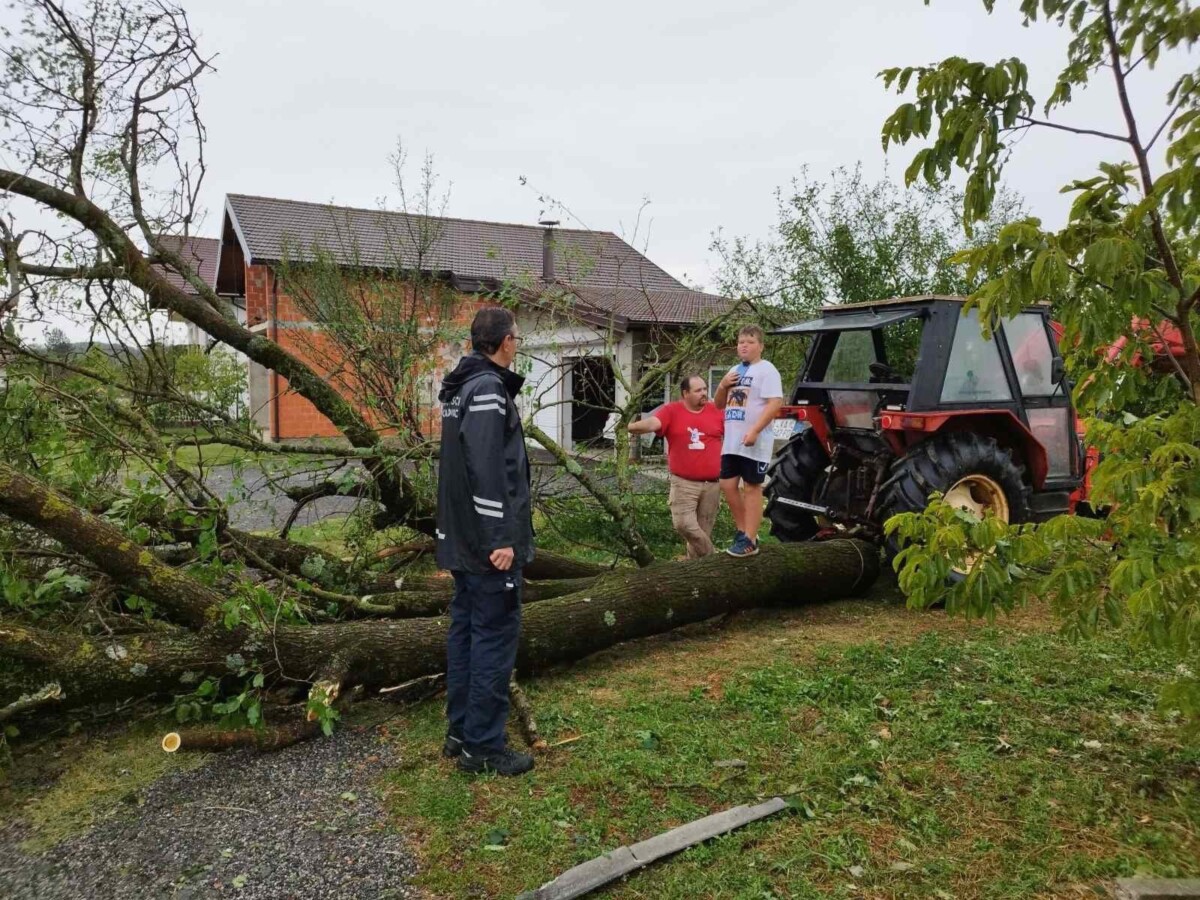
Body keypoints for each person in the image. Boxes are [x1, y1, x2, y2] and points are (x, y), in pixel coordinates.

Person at [436, 306, 535, 777]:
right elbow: (486, 467)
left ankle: (460, 732)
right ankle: (482, 747)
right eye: (516, 337)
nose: (518, 343)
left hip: (462, 539)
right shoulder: (488, 389)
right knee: (492, 639)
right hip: (486, 544)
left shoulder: (460, 388)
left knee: (467, 634)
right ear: (505, 342)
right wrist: (502, 538)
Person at [628, 374, 725, 558]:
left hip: (712, 484)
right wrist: (630, 427)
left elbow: (736, 432)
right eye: (698, 390)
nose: (704, 393)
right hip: (684, 483)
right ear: (685, 393)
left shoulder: (716, 411)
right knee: (683, 524)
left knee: (703, 531)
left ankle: (695, 573)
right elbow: (652, 423)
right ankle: (715, 558)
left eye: (705, 389)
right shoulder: (671, 411)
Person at [714, 324, 784, 557]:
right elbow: (718, 404)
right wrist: (723, 385)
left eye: (750, 341)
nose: (744, 345)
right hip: (732, 440)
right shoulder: (734, 370)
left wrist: (754, 430)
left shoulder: (767, 370)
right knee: (727, 484)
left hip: (755, 440)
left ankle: (750, 540)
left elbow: (775, 403)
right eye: (741, 341)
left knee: (752, 487)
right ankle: (743, 530)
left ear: (761, 346)